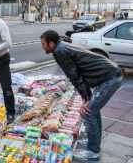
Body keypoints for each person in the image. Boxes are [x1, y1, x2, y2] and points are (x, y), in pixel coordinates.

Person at [40, 30, 123, 161]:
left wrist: (86, 99)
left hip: (109, 78)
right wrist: (88, 98)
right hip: (108, 75)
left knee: (87, 112)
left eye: (43, 44)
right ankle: (94, 141)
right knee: (93, 110)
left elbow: (74, 76)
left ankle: (93, 151)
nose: (42, 47)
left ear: (51, 44)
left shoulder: (59, 51)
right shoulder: (62, 46)